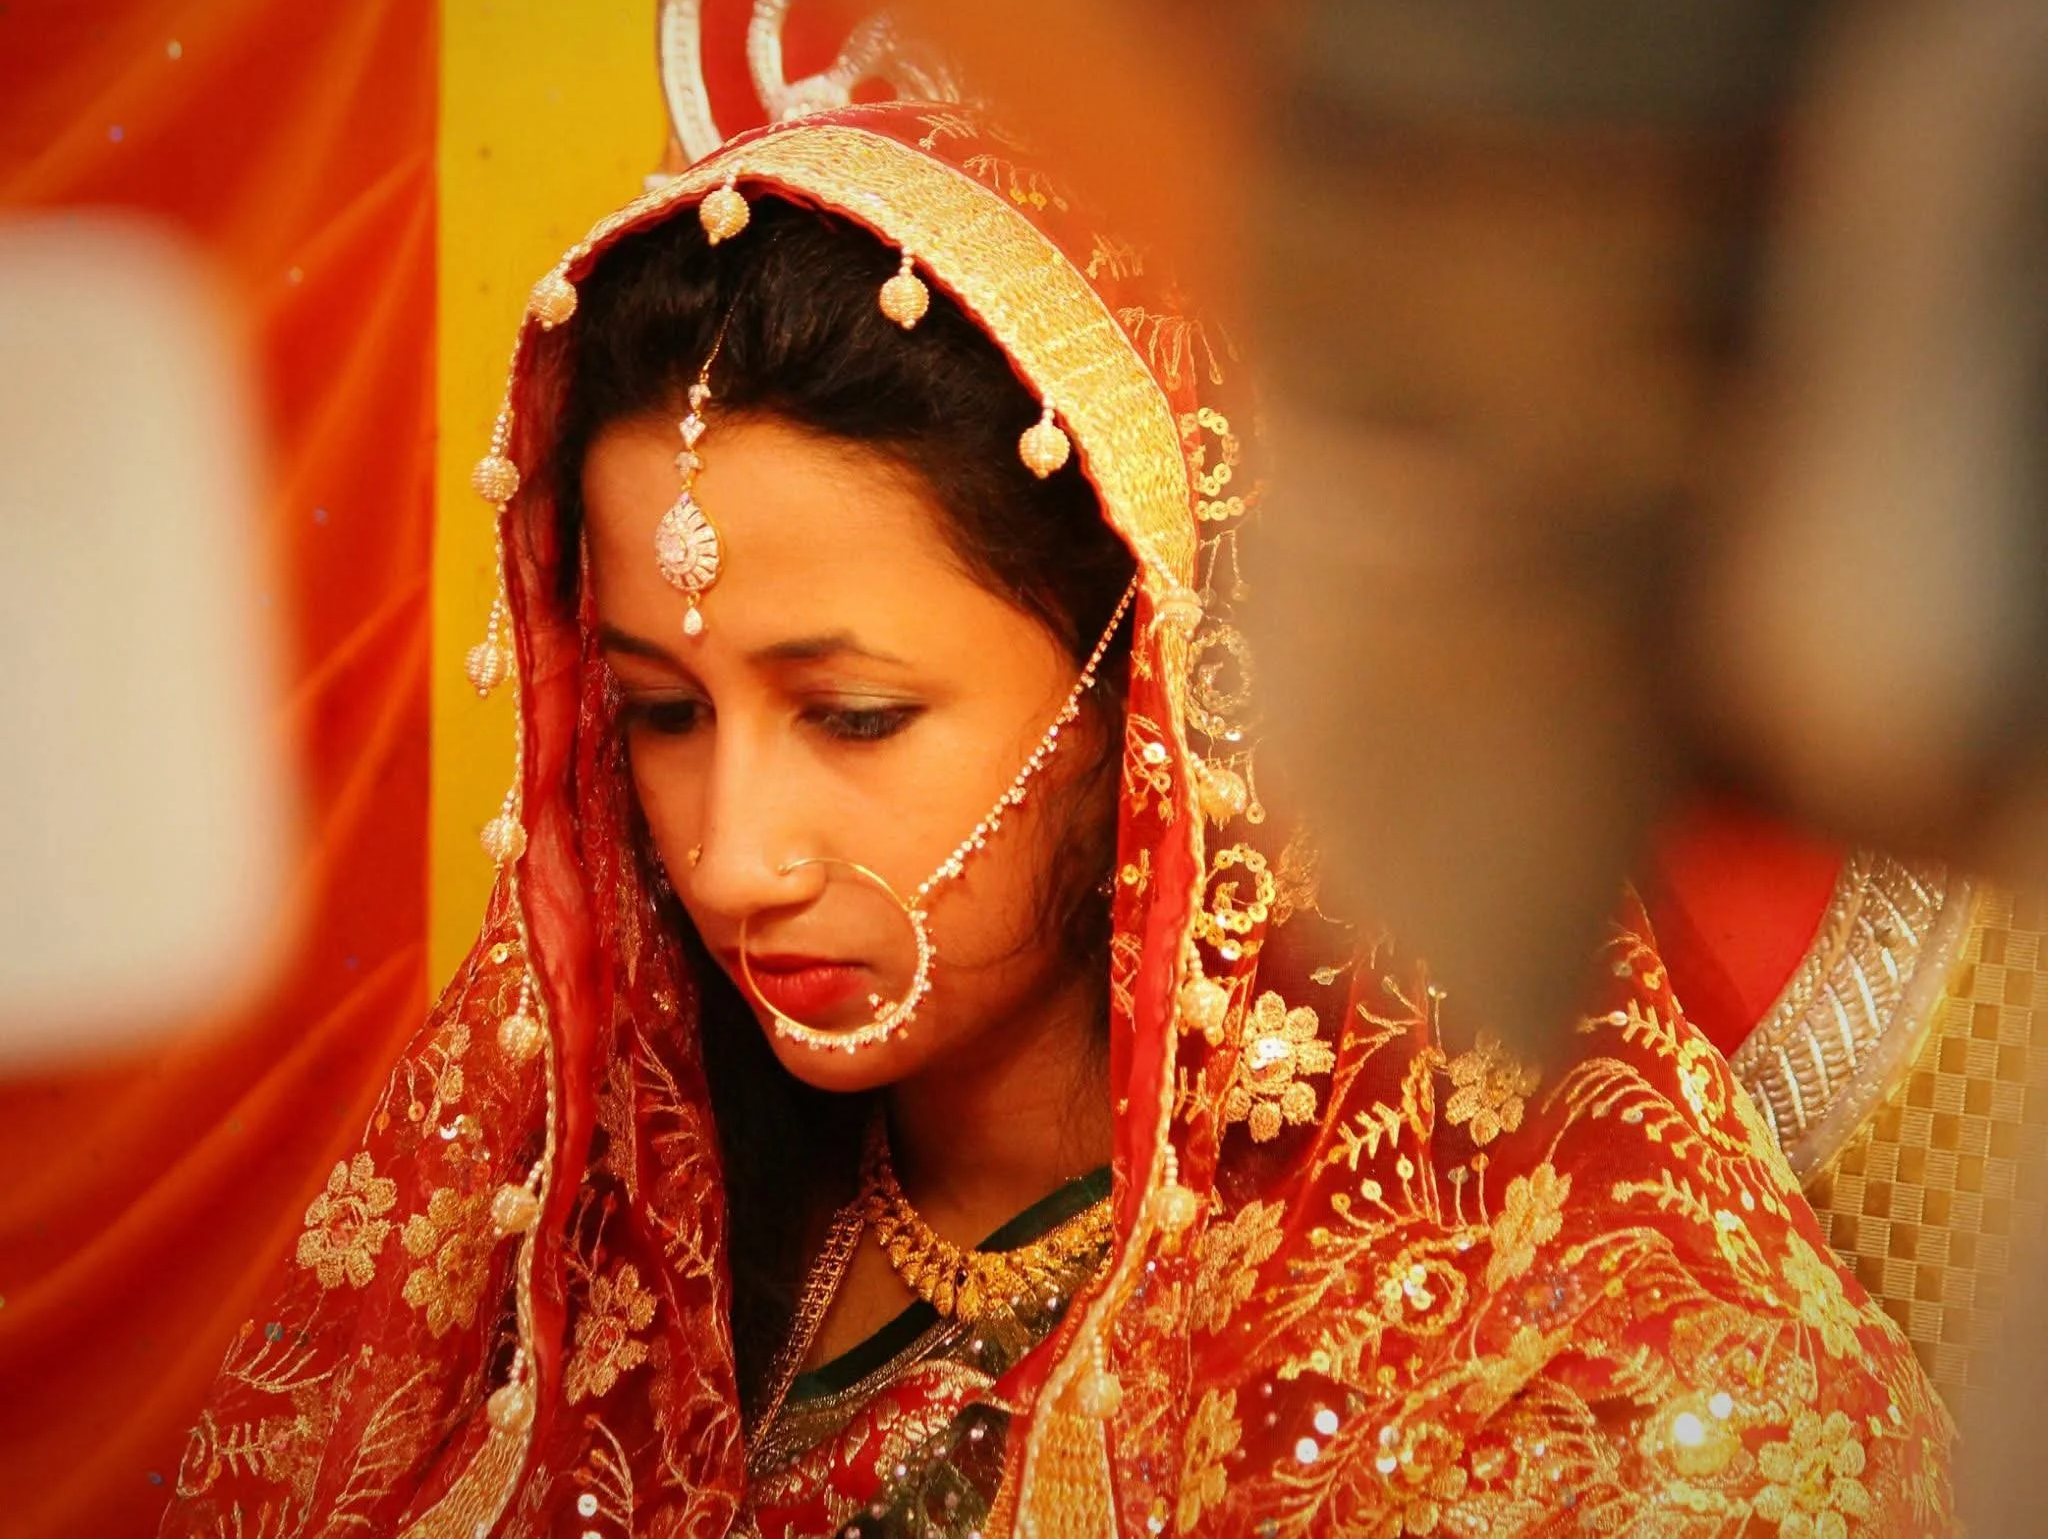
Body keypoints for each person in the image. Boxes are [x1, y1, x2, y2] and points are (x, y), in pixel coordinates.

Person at [160, 104, 1956, 1538]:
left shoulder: (1535, 1363)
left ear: (1155, 692)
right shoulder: (590, 1259)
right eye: (660, 713)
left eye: (853, 713)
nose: (730, 851)